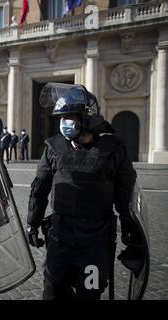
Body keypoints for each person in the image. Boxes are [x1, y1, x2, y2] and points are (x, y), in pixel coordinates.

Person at [26, 83, 139, 300]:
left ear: (87, 117)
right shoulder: (53, 147)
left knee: (89, 295)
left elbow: (126, 196)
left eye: (69, 116)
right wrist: (33, 222)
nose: (63, 123)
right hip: (60, 236)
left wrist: (130, 231)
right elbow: (39, 188)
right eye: (61, 117)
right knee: (52, 293)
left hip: (95, 240)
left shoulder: (113, 150)